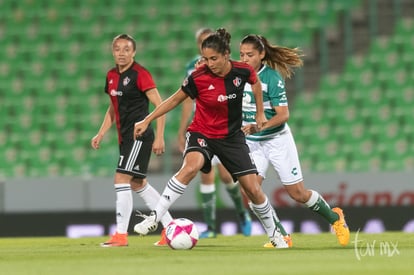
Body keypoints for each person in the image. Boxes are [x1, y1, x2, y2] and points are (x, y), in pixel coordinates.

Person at [133, 28, 290, 248]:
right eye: (205, 58)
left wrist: (260, 112)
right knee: (191, 166)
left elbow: (255, 82)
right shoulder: (197, 76)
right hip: (202, 132)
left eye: (213, 58)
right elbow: (174, 100)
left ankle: (275, 235)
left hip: (231, 137)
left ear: (227, 54)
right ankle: (154, 217)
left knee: (253, 190)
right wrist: (147, 119)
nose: (209, 63)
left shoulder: (242, 71)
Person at [239, 34, 350, 247]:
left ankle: (336, 219)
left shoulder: (271, 77)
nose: (245, 59)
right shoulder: (237, 75)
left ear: (261, 54)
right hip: (252, 143)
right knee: (250, 191)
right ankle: (281, 236)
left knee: (298, 194)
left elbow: (283, 115)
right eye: (242, 54)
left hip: (277, 140)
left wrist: (258, 126)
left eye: (250, 55)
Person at [91, 34, 173, 247]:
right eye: (117, 49)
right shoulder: (110, 75)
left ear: (133, 52)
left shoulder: (140, 74)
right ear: (112, 51)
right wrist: (100, 133)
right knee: (137, 183)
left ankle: (120, 235)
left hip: (139, 135)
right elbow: (113, 107)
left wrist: (160, 136)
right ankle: (170, 228)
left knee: (121, 179)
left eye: (126, 49)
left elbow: (161, 105)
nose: (121, 53)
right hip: (125, 137)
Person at [177, 28, 251, 238]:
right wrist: (182, 130)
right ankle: (210, 227)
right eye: (201, 42)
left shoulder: (226, 66)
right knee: (206, 175)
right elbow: (185, 99)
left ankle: (242, 213)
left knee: (227, 175)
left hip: (224, 126)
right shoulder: (192, 67)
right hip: (202, 126)